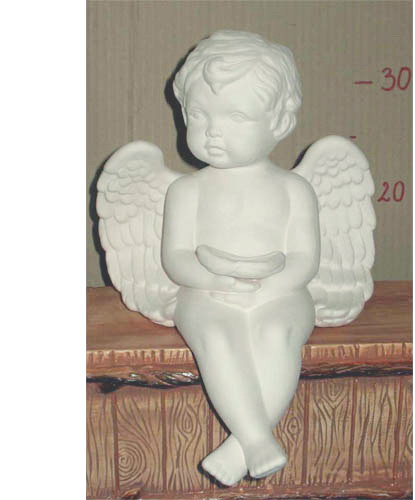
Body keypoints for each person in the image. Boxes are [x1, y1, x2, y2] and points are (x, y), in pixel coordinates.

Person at [161, 30, 320, 486]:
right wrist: (221, 283)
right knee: (216, 334)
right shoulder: (186, 190)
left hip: (280, 293)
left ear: (280, 121)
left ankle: (240, 447)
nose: (212, 130)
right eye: (198, 115)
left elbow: (304, 260)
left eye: (235, 116)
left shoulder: (294, 189)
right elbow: (176, 259)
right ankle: (255, 439)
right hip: (206, 292)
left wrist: (265, 289)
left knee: (275, 334)